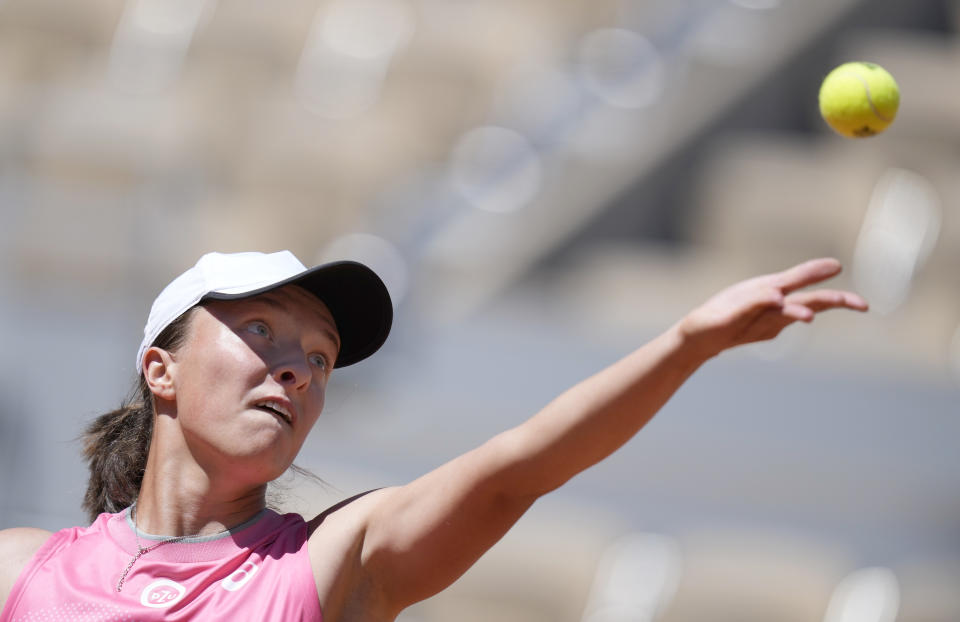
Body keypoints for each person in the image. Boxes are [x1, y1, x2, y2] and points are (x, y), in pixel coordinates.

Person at [0, 250, 868, 621]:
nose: (297, 370)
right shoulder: (21, 569)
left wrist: (688, 345)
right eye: (261, 331)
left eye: (321, 357)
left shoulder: (338, 560)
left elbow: (514, 471)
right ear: (161, 369)